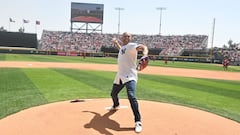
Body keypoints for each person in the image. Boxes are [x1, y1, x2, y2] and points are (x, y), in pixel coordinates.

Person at [110, 32, 148, 133]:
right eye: (124, 36)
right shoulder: (123, 48)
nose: (126, 37)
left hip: (130, 76)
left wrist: (145, 55)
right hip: (120, 75)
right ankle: (116, 105)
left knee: (131, 96)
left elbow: (143, 47)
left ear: (130, 38)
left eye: (128, 36)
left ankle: (138, 121)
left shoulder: (132, 46)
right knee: (113, 94)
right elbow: (121, 49)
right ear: (122, 38)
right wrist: (115, 43)